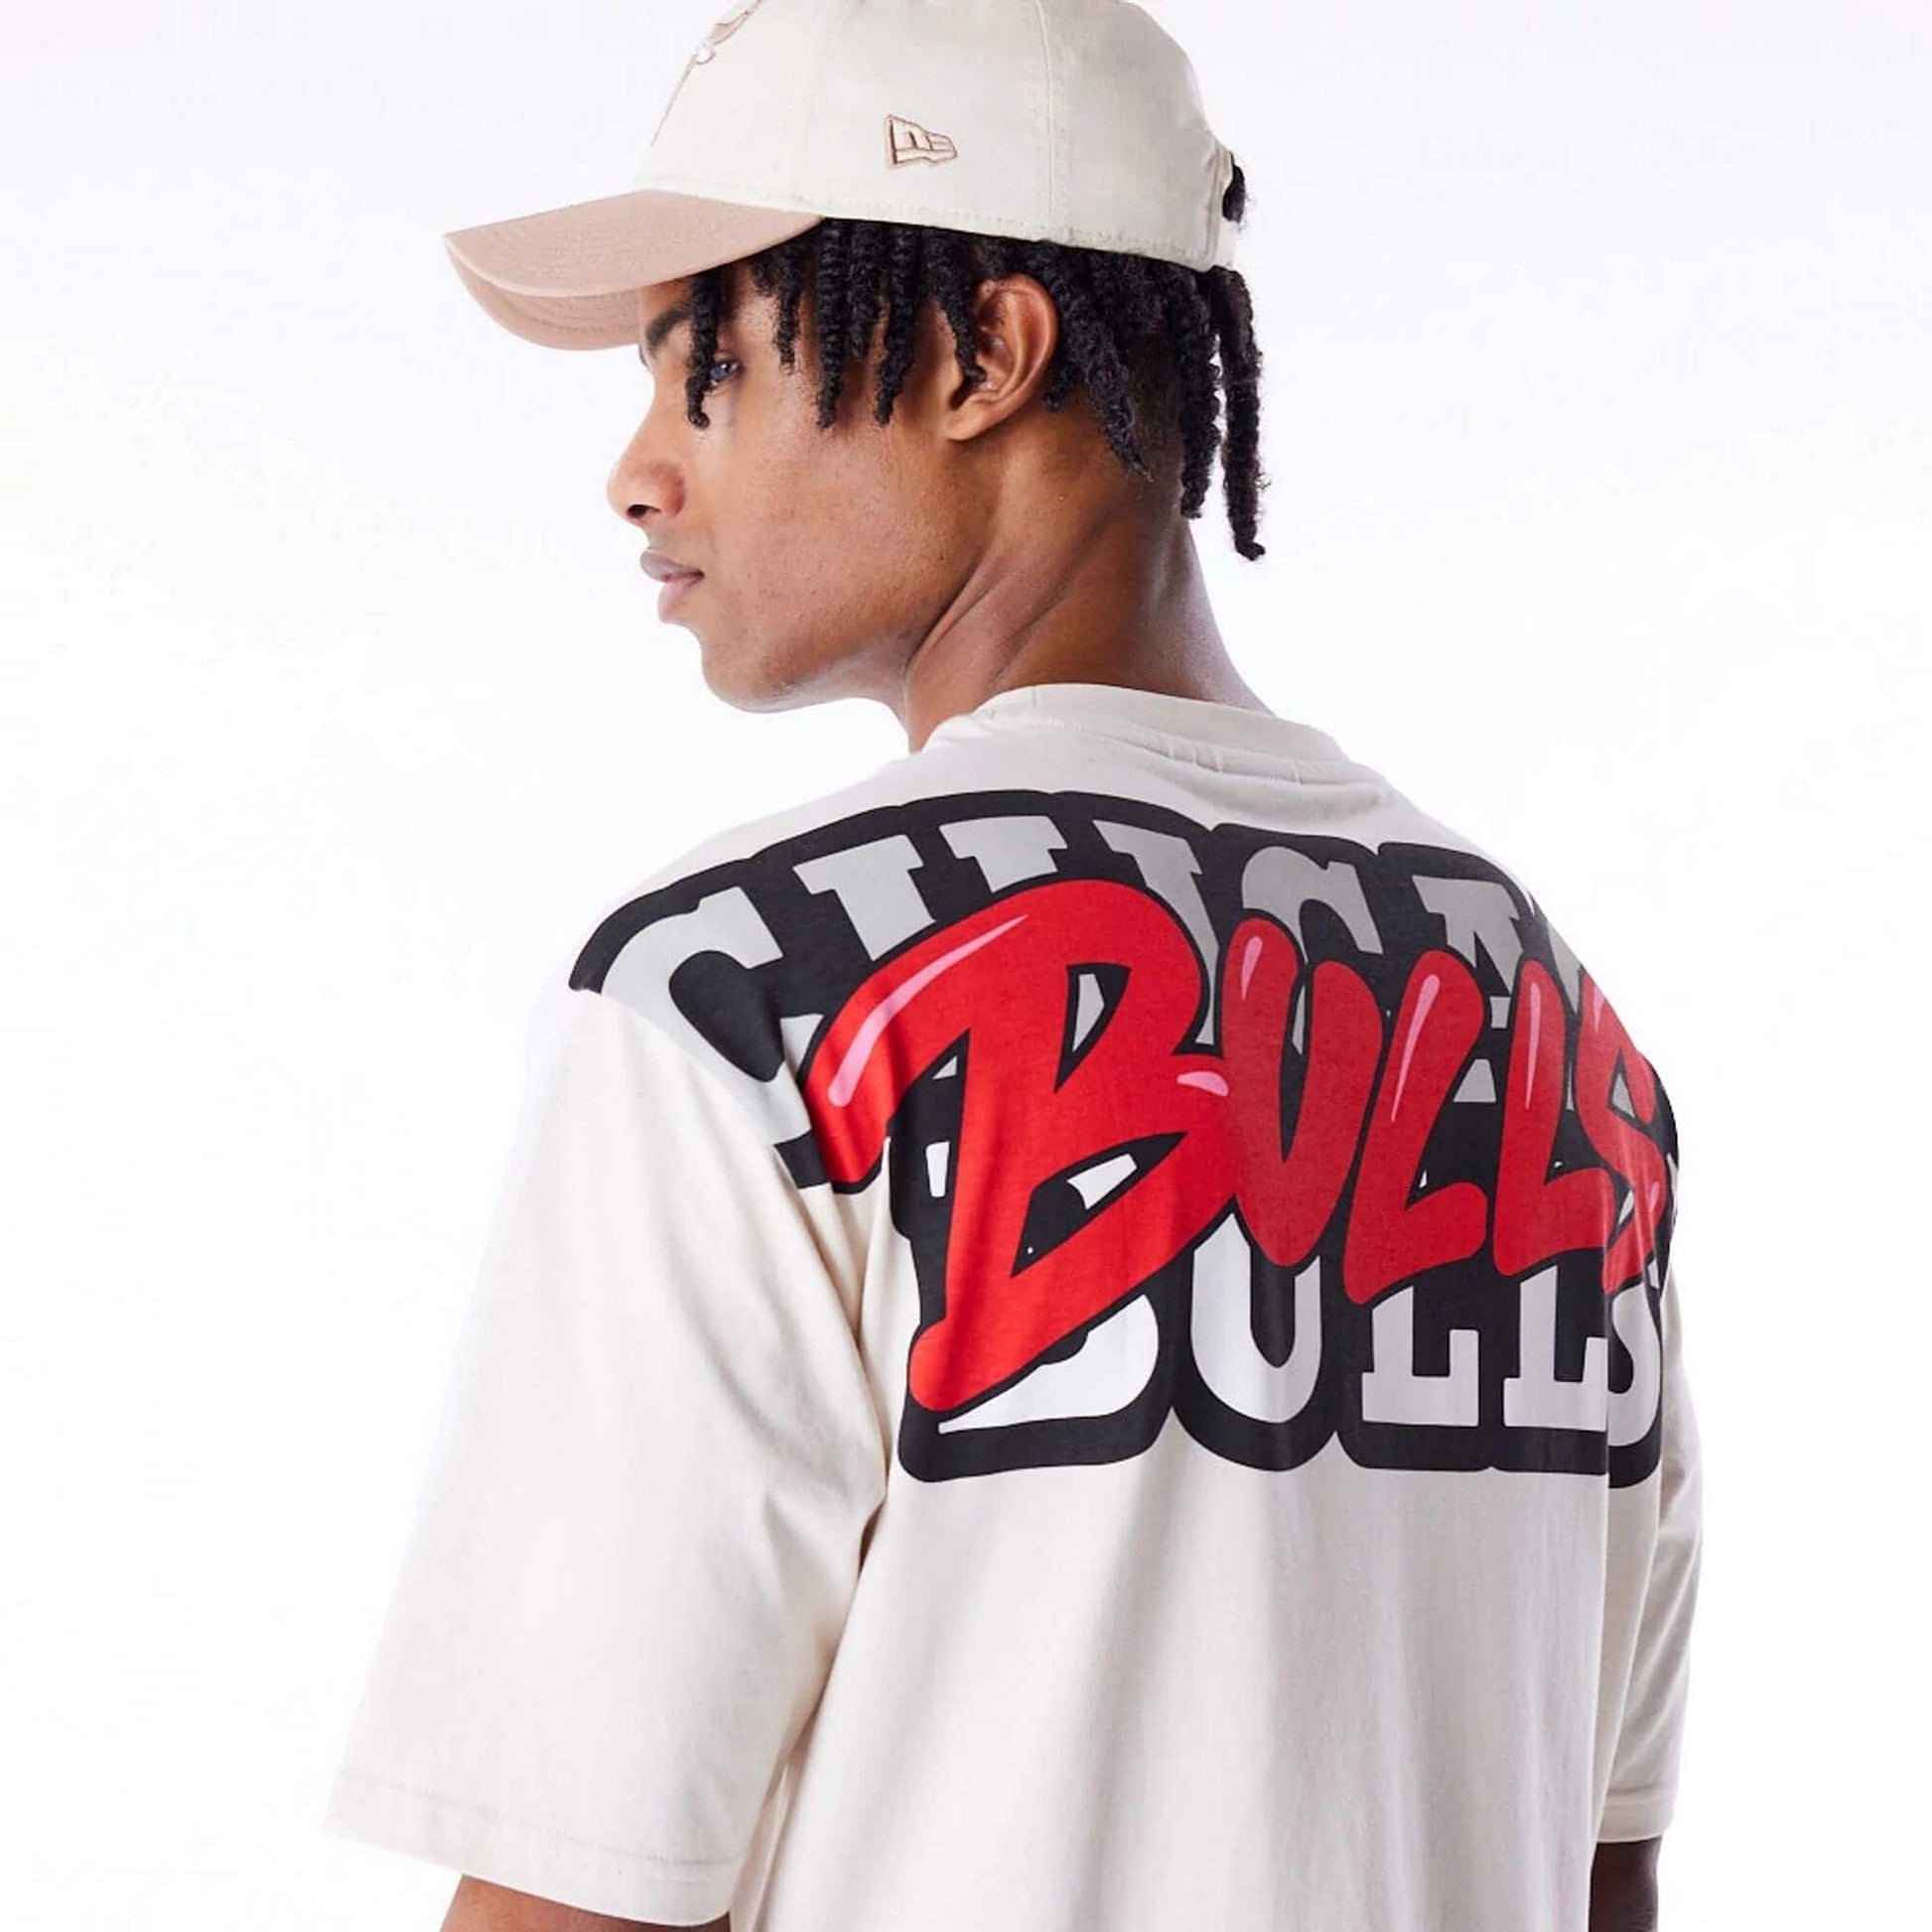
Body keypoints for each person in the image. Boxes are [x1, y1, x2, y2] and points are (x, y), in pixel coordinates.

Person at [321, 3, 1703, 1929]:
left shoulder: (743, 990)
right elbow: (1596, 1862)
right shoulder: (1548, 1017)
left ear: (981, 354)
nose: (636, 474)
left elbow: (578, 1888)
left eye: (706, 369)